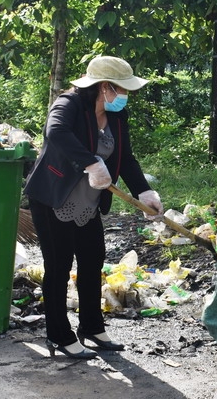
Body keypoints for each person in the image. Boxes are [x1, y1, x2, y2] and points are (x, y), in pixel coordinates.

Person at [24, 56, 163, 359]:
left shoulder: (116, 116)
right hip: (54, 195)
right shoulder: (69, 103)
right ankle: (59, 335)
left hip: (88, 200)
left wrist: (144, 191)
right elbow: (55, 133)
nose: (125, 96)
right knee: (59, 266)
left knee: (92, 260)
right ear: (104, 88)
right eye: (121, 89)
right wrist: (90, 162)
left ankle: (91, 327)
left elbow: (125, 157)